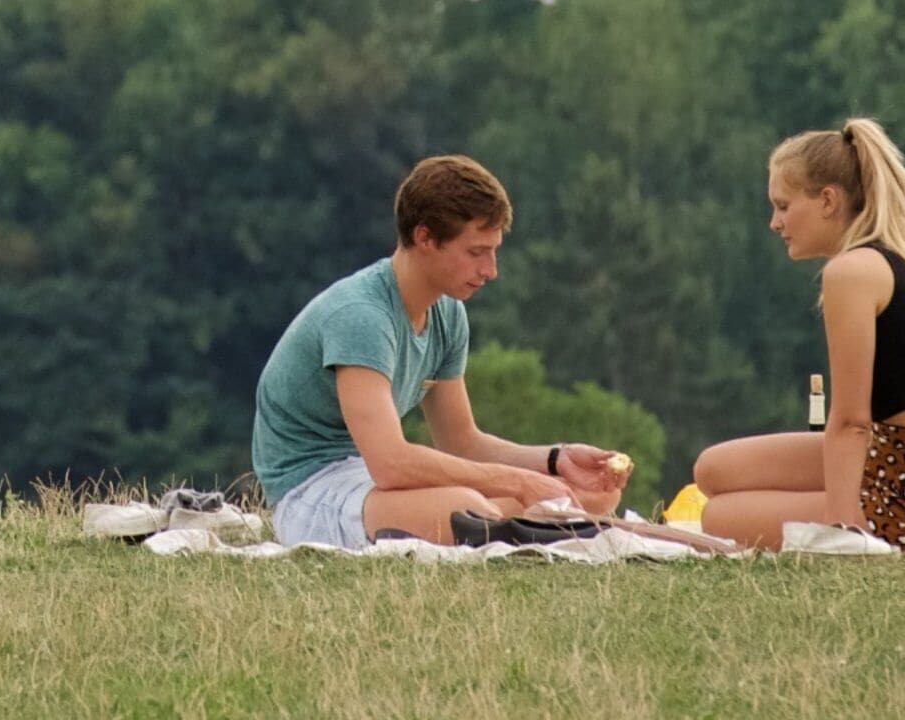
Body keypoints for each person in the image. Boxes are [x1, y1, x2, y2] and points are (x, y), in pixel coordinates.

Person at [249, 154, 629, 547]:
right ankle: (503, 525)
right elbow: (390, 464)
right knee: (467, 509)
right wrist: (517, 482)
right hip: (312, 490)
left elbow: (462, 442)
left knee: (594, 494)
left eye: (494, 251)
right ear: (425, 237)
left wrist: (555, 460)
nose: (491, 270)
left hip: (373, 482)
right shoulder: (361, 317)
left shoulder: (447, 313)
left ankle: (506, 525)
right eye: (476, 252)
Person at [691, 118, 905, 552]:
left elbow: (851, 421)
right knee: (712, 470)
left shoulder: (851, 272)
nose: (775, 223)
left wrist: (842, 521)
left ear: (828, 200)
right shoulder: (892, 258)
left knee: (717, 516)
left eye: (783, 206)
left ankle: (858, 513)